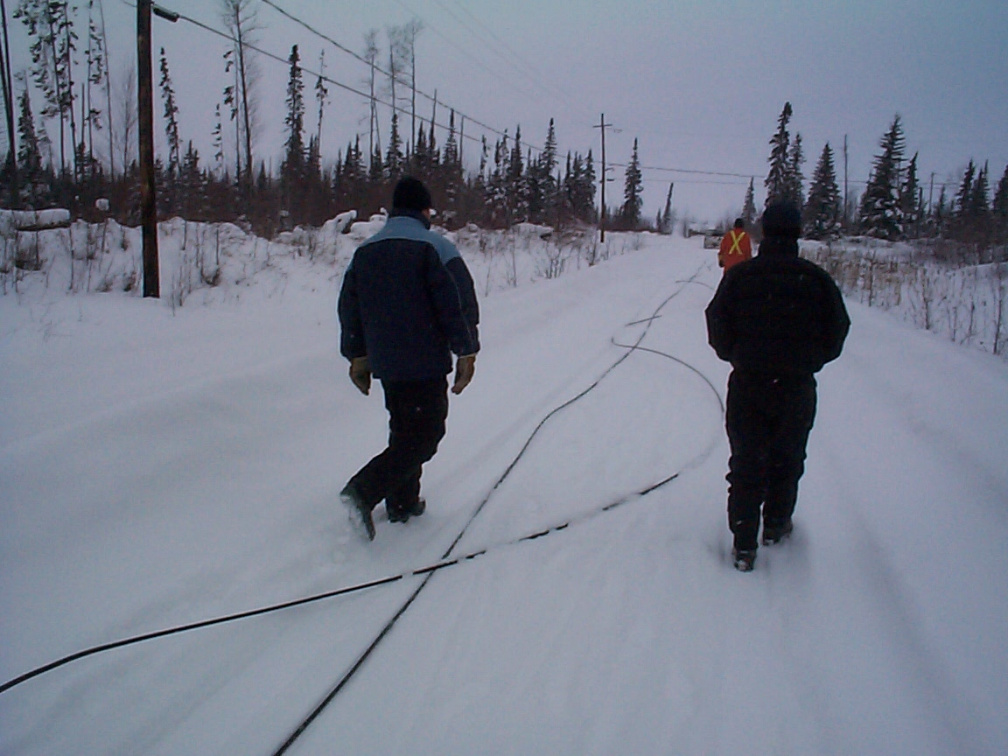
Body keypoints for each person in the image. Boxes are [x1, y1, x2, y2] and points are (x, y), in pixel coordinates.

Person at [705, 201, 849, 571]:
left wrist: (736, 354)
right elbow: (837, 331)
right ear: (798, 233)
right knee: (787, 460)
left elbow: (716, 321)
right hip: (796, 390)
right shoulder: (816, 279)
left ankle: (744, 544)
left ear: (764, 232)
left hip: (749, 386)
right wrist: (810, 360)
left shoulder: (740, 278)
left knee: (746, 463)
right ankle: (775, 526)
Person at [337, 176, 480, 541]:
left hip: (388, 363)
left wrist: (358, 355)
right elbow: (458, 304)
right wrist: (467, 349)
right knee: (427, 435)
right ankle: (364, 490)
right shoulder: (437, 248)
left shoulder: (366, 250)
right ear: (423, 209)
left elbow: (349, 307)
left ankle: (403, 502)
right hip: (426, 360)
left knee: (404, 429)